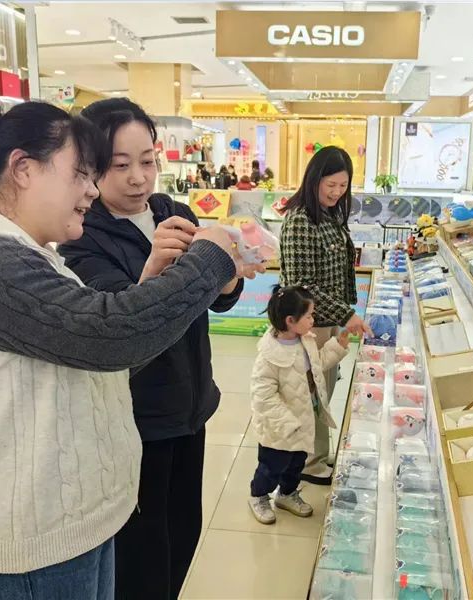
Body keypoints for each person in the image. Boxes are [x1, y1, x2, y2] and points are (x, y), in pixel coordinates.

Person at [0, 94, 248, 600]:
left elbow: (103, 356)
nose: (91, 190)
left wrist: (195, 278)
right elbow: (110, 335)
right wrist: (210, 261)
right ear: (24, 169)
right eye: (82, 174)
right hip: (29, 548)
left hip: (72, 526)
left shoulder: (34, 256)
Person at [57, 98, 259, 600]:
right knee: (142, 557)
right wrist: (152, 269)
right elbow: (115, 327)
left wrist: (229, 276)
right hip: (135, 421)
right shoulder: (81, 238)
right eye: (119, 165)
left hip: (191, 408)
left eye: (147, 161)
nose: (138, 178)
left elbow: (218, 302)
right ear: (91, 167)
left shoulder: (176, 213)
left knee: (183, 534)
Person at [280, 146, 372, 485]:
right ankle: (309, 462)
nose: (336, 192)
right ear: (314, 179)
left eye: (343, 186)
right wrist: (346, 314)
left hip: (328, 321)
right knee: (312, 394)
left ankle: (316, 453)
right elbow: (302, 286)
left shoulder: (329, 214)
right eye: (330, 185)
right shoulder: (300, 220)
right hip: (309, 325)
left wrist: (343, 315)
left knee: (322, 391)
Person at [248, 285, 349, 524]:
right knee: (271, 467)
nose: (313, 320)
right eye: (309, 316)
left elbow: (317, 364)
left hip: (303, 420)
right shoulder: (268, 356)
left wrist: (338, 345)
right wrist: (288, 423)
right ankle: (258, 496)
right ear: (290, 321)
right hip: (279, 429)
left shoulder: (306, 340)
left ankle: (287, 494)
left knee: (296, 465)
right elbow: (263, 397)